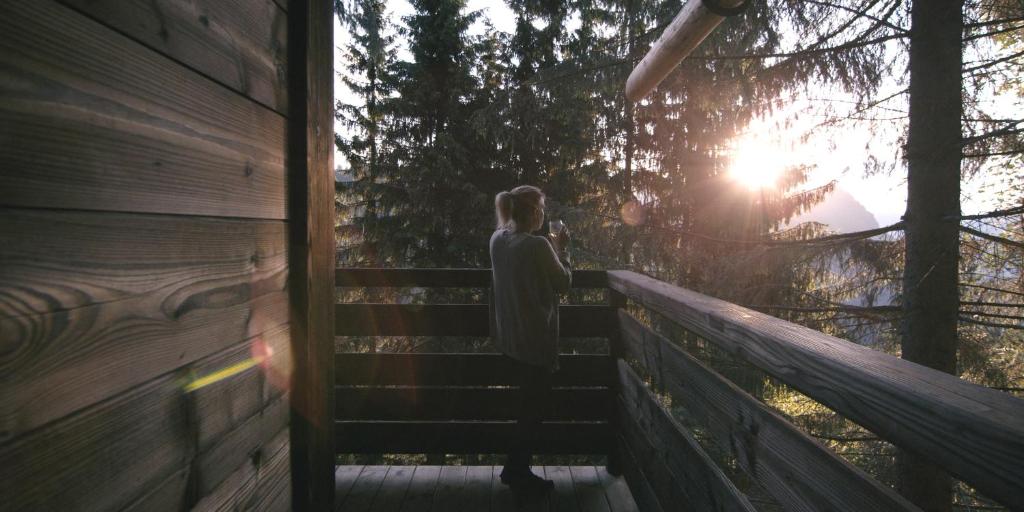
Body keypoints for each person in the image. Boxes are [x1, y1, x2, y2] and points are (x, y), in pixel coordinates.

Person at [489, 185, 571, 492]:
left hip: (510, 342)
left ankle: (515, 469)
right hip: (535, 345)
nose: (544, 213)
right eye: (542, 207)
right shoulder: (537, 246)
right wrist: (562, 248)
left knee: (526, 409)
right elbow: (563, 283)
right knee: (532, 412)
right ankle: (518, 472)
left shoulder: (497, 239)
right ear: (534, 213)